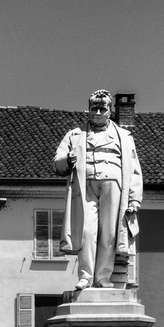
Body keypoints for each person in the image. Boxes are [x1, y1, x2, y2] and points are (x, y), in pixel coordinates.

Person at [53, 89, 143, 290]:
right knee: (86, 231)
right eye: (95, 108)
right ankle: (86, 276)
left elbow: (135, 169)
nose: (99, 112)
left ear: (110, 110)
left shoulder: (124, 136)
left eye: (103, 108)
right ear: (88, 109)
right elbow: (57, 163)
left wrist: (135, 199)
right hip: (85, 186)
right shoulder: (75, 135)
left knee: (109, 233)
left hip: (114, 186)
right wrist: (67, 160)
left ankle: (102, 276)